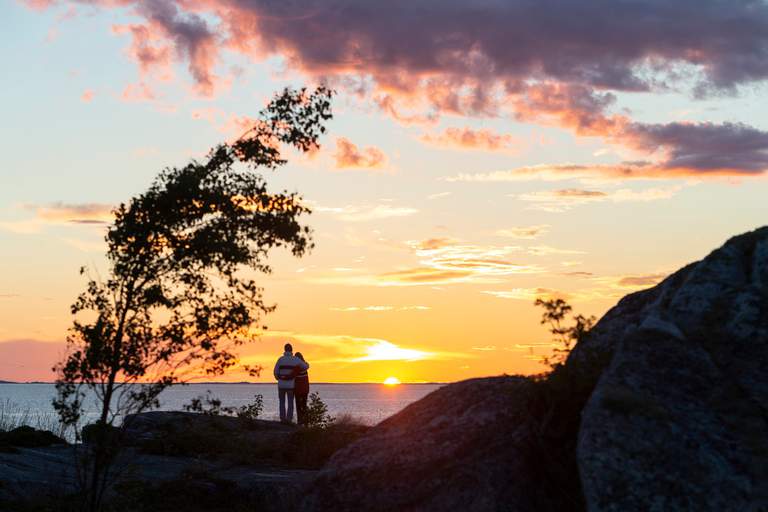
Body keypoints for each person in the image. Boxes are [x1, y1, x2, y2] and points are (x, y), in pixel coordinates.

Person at [273, 343, 309, 424]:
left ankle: (282, 419)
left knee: (281, 402)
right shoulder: (295, 359)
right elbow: (306, 367)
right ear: (291, 350)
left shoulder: (280, 359)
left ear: (284, 350)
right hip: (290, 385)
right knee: (290, 403)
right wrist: (306, 363)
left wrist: (279, 379)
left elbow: (275, 371)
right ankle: (289, 420)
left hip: (281, 385)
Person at [293, 352, 310, 425]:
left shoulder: (296, 368)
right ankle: (306, 422)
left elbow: (294, 378)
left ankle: (299, 421)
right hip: (305, 390)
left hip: (298, 390)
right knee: (304, 405)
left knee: (298, 406)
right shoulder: (305, 367)